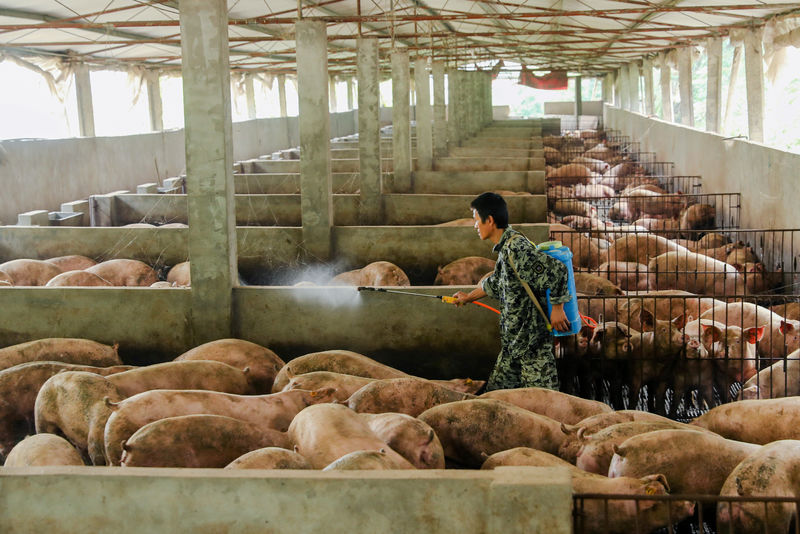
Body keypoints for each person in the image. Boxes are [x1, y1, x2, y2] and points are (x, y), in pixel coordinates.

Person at [452, 192, 571, 391]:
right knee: (496, 397)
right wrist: (468, 298)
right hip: (513, 346)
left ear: (489, 220)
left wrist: (557, 308)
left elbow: (558, 271)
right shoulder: (506, 249)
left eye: (476, 221)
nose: (475, 226)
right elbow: (497, 282)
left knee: (543, 404)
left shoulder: (517, 247)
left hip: (533, 348)